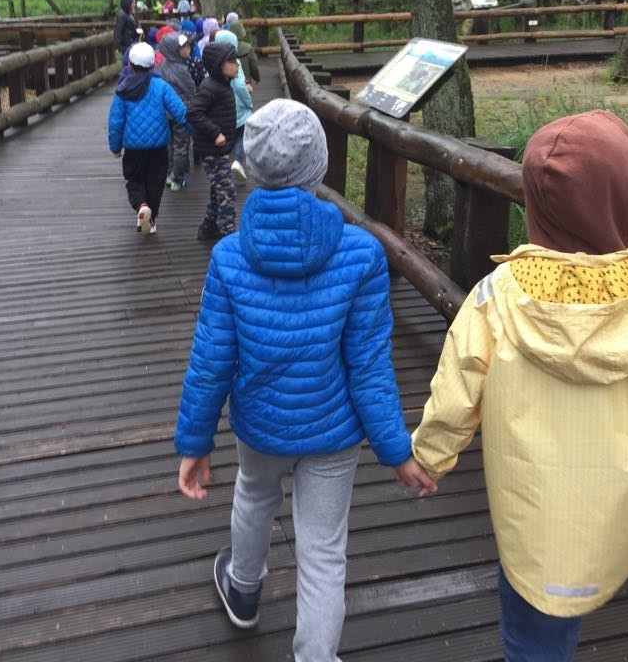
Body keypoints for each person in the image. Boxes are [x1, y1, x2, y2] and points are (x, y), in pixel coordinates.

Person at [174, 99, 436, 661]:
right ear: (319, 167)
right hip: (333, 431)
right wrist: (396, 450)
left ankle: (244, 590)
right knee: (322, 551)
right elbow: (369, 364)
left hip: (260, 422)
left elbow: (211, 360)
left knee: (253, 495)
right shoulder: (361, 254)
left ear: (251, 167)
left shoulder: (228, 257)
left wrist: (195, 442)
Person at [411, 110, 628, 662]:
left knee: (534, 631)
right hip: (617, 505)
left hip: (531, 515)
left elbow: (456, 390)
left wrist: (428, 457)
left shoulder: (496, 296)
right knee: (589, 574)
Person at [107, 42, 189, 235]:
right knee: (156, 180)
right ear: (153, 64)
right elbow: (180, 112)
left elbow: (116, 121)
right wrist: (194, 130)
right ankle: (151, 219)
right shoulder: (162, 86)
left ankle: (141, 206)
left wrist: (115, 146)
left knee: (134, 179)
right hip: (158, 146)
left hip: (133, 148)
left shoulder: (123, 89)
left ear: (130, 65)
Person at [186, 41, 239, 242]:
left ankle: (208, 228)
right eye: (232, 61)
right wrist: (216, 133)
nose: (237, 64)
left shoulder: (222, 85)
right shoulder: (210, 87)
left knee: (218, 191)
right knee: (227, 193)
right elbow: (193, 112)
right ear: (218, 65)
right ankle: (228, 236)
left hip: (219, 150)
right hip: (211, 150)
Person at [155, 31, 196, 191]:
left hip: (165, 113)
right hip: (180, 112)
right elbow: (191, 91)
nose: (188, 49)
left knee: (170, 145)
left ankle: (169, 173)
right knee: (181, 145)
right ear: (174, 50)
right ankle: (177, 178)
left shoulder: (160, 68)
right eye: (184, 47)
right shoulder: (181, 69)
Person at [215, 29, 253, 184]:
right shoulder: (234, 62)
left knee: (227, 136)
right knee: (241, 136)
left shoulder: (214, 61)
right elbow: (240, 86)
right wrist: (249, 103)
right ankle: (237, 161)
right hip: (238, 106)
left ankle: (223, 166)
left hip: (222, 107)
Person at [227, 13, 261, 85]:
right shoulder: (248, 47)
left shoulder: (225, 47)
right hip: (245, 83)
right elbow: (253, 66)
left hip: (229, 83)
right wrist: (256, 78)